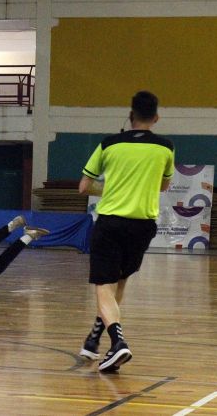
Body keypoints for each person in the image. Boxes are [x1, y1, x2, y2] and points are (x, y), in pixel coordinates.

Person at [77, 90, 174, 372]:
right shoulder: (165, 147)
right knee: (118, 282)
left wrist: (110, 188)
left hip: (111, 222)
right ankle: (95, 338)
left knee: (103, 286)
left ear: (130, 116)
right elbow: (164, 186)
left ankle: (117, 342)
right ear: (156, 118)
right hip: (143, 226)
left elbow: (84, 186)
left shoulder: (109, 145)